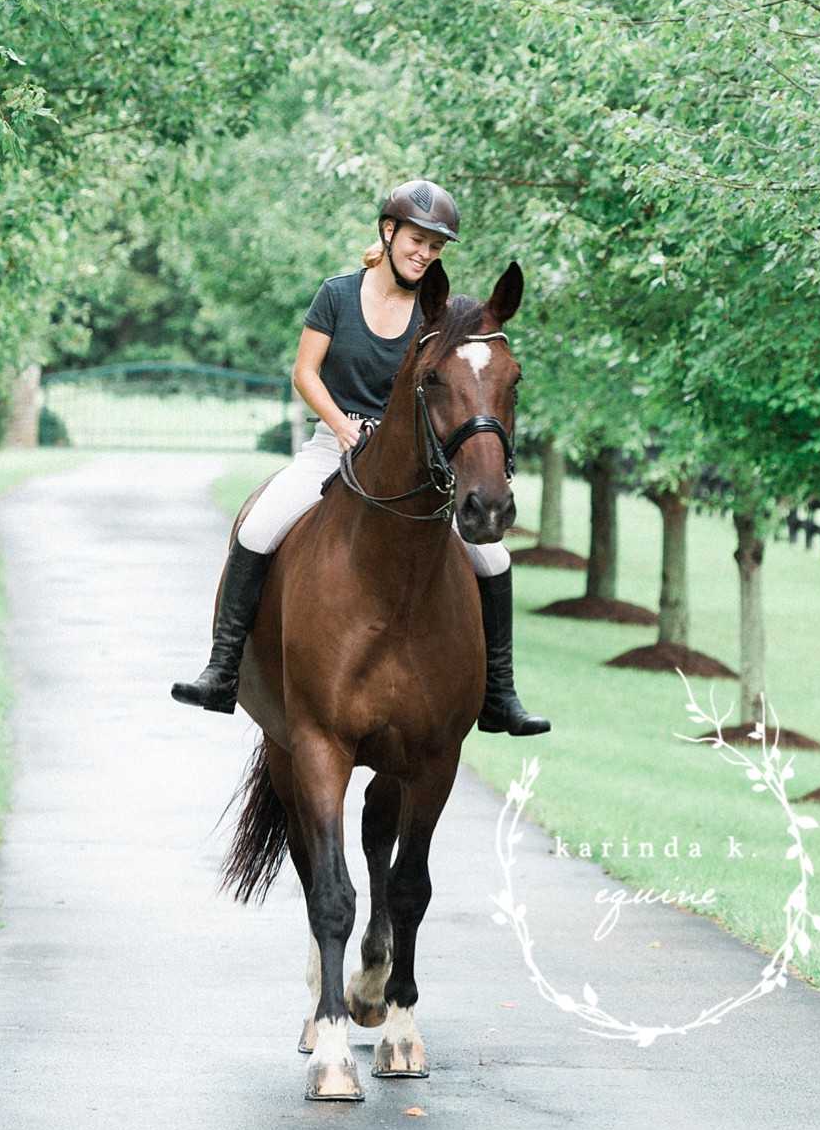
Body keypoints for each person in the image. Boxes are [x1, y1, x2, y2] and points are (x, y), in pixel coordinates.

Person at [170, 178, 550, 736]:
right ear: (389, 232)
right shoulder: (338, 294)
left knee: (494, 560)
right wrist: (342, 425)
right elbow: (304, 371)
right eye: (417, 240)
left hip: (412, 465)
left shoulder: (441, 312)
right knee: (258, 528)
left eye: (436, 247)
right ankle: (223, 669)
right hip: (334, 446)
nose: (424, 253)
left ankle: (499, 695)